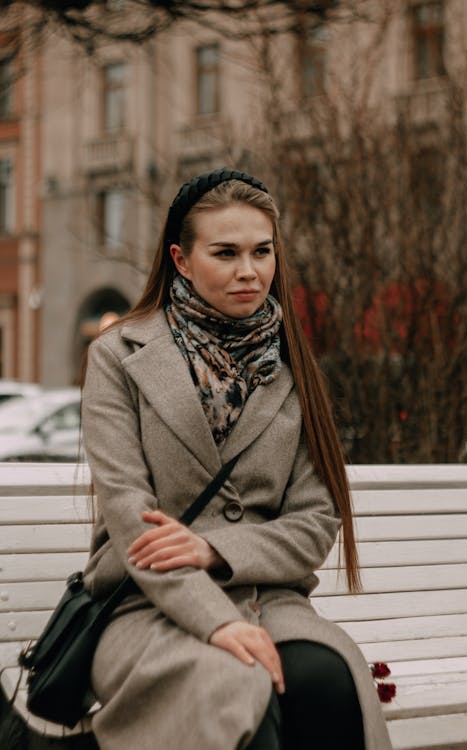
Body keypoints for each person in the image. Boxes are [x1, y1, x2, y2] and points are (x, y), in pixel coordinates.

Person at [82, 168, 393, 750]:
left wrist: (214, 549)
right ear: (181, 259)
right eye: (225, 253)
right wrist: (216, 619)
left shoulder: (294, 364)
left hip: (268, 598)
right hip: (145, 603)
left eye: (262, 252)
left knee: (329, 681)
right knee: (233, 688)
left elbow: (315, 523)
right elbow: (131, 518)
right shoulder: (118, 355)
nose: (249, 271)